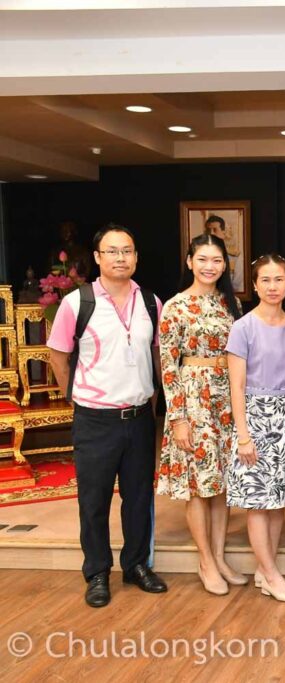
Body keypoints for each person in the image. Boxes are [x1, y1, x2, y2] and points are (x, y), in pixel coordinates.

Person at [47, 224, 167, 608]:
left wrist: (153, 403)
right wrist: (77, 399)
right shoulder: (77, 303)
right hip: (95, 419)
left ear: (136, 257)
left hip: (139, 418)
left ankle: (136, 565)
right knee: (94, 501)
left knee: (139, 497)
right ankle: (97, 572)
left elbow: (156, 356)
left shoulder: (151, 302)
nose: (120, 258)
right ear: (98, 257)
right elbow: (58, 357)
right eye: (112, 251)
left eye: (127, 251)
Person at [157, 233, 245, 595]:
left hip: (227, 399)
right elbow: (167, 366)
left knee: (221, 483)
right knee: (198, 484)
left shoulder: (230, 303)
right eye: (203, 259)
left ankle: (220, 557)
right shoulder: (176, 306)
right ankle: (205, 560)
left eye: (217, 260)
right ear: (190, 262)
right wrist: (178, 418)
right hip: (193, 400)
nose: (210, 266)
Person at [225, 254, 285, 603]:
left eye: (279, 279)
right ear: (255, 285)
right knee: (258, 502)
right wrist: (243, 435)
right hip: (255, 419)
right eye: (266, 280)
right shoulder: (243, 328)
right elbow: (236, 386)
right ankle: (272, 575)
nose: (273, 286)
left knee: (278, 501)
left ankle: (265, 569)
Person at [205, 215, 243, 294]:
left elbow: (237, 284)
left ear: (223, 232)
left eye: (215, 230)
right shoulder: (201, 256)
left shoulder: (234, 256)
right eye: (208, 230)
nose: (211, 233)